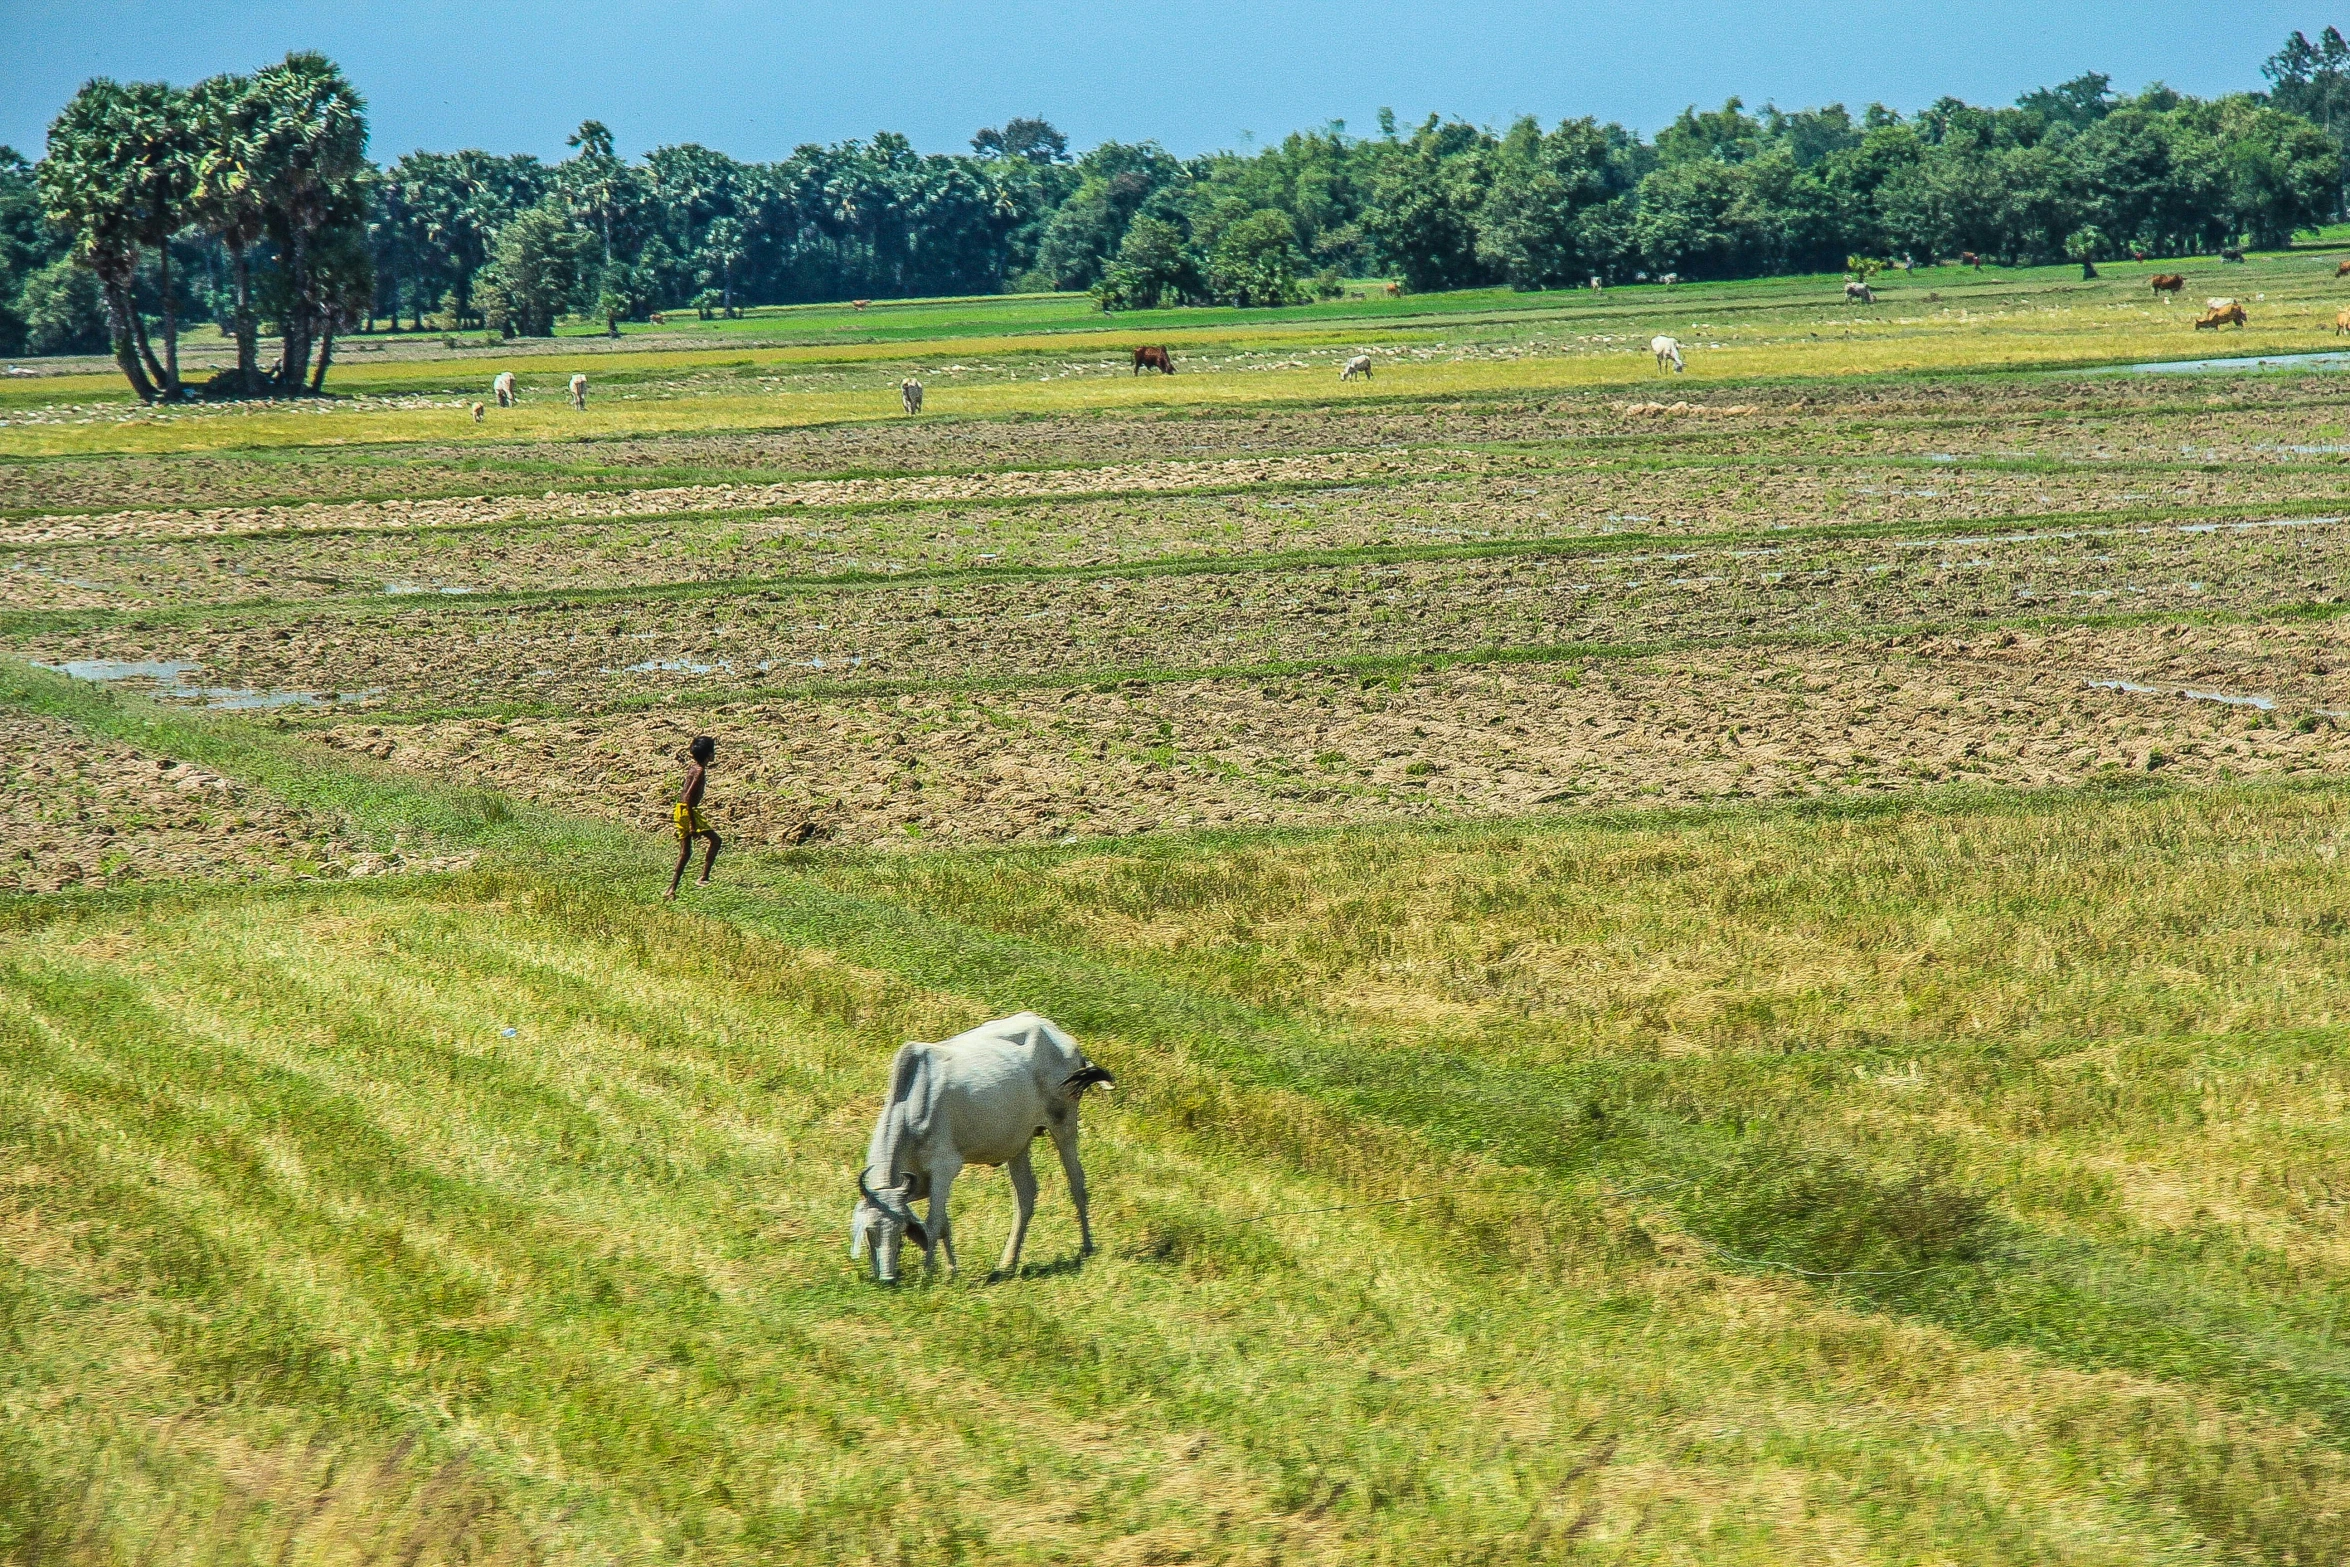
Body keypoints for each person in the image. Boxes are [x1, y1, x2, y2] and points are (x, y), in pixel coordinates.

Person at [666, 736, 721, 899]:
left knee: (685, 852)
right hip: (687, 810)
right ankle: (704, 877)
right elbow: (689, 796)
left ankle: (671, 889)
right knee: (716, 841)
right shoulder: (700, 771)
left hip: (680, 809)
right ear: (709, 755)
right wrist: (691, 824)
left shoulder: (693, 768)